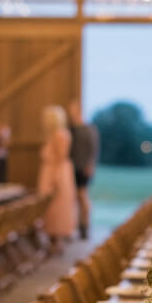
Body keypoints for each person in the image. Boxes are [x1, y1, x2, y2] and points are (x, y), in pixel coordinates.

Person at [37, 105, 76, 248]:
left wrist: (54, 180)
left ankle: (56, 241)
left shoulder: (60, 134)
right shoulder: (54, 134)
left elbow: (61, 158)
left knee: (56, 207)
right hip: (51, 171)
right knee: (51, 208)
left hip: (56, 174)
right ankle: (53, 241)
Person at [67, 99, 99, 240]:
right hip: (70, 168)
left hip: (83, 167)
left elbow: (93, 149)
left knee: (82, 196)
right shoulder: (70, 128)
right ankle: (75, 225)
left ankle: (85, 225)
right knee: (72, 198)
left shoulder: (88, 129)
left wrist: (90, 165)